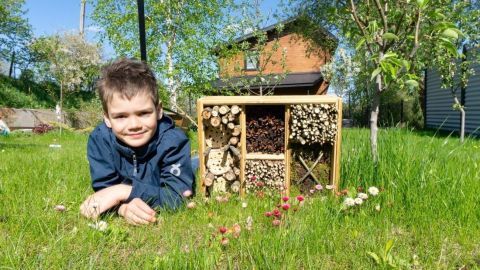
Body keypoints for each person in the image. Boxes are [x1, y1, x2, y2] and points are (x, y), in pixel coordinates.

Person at [80, 58, 195, 225]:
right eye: (121, 116)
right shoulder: (100, 140)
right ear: (107, 118)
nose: (134, 125)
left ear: (159, 111)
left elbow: (177, 198)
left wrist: (122, 191)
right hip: (144, 191)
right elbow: (104, 191)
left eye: (143, 113)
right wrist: (122, 209)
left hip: (178, 164)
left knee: (195, 166)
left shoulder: (174, 142)